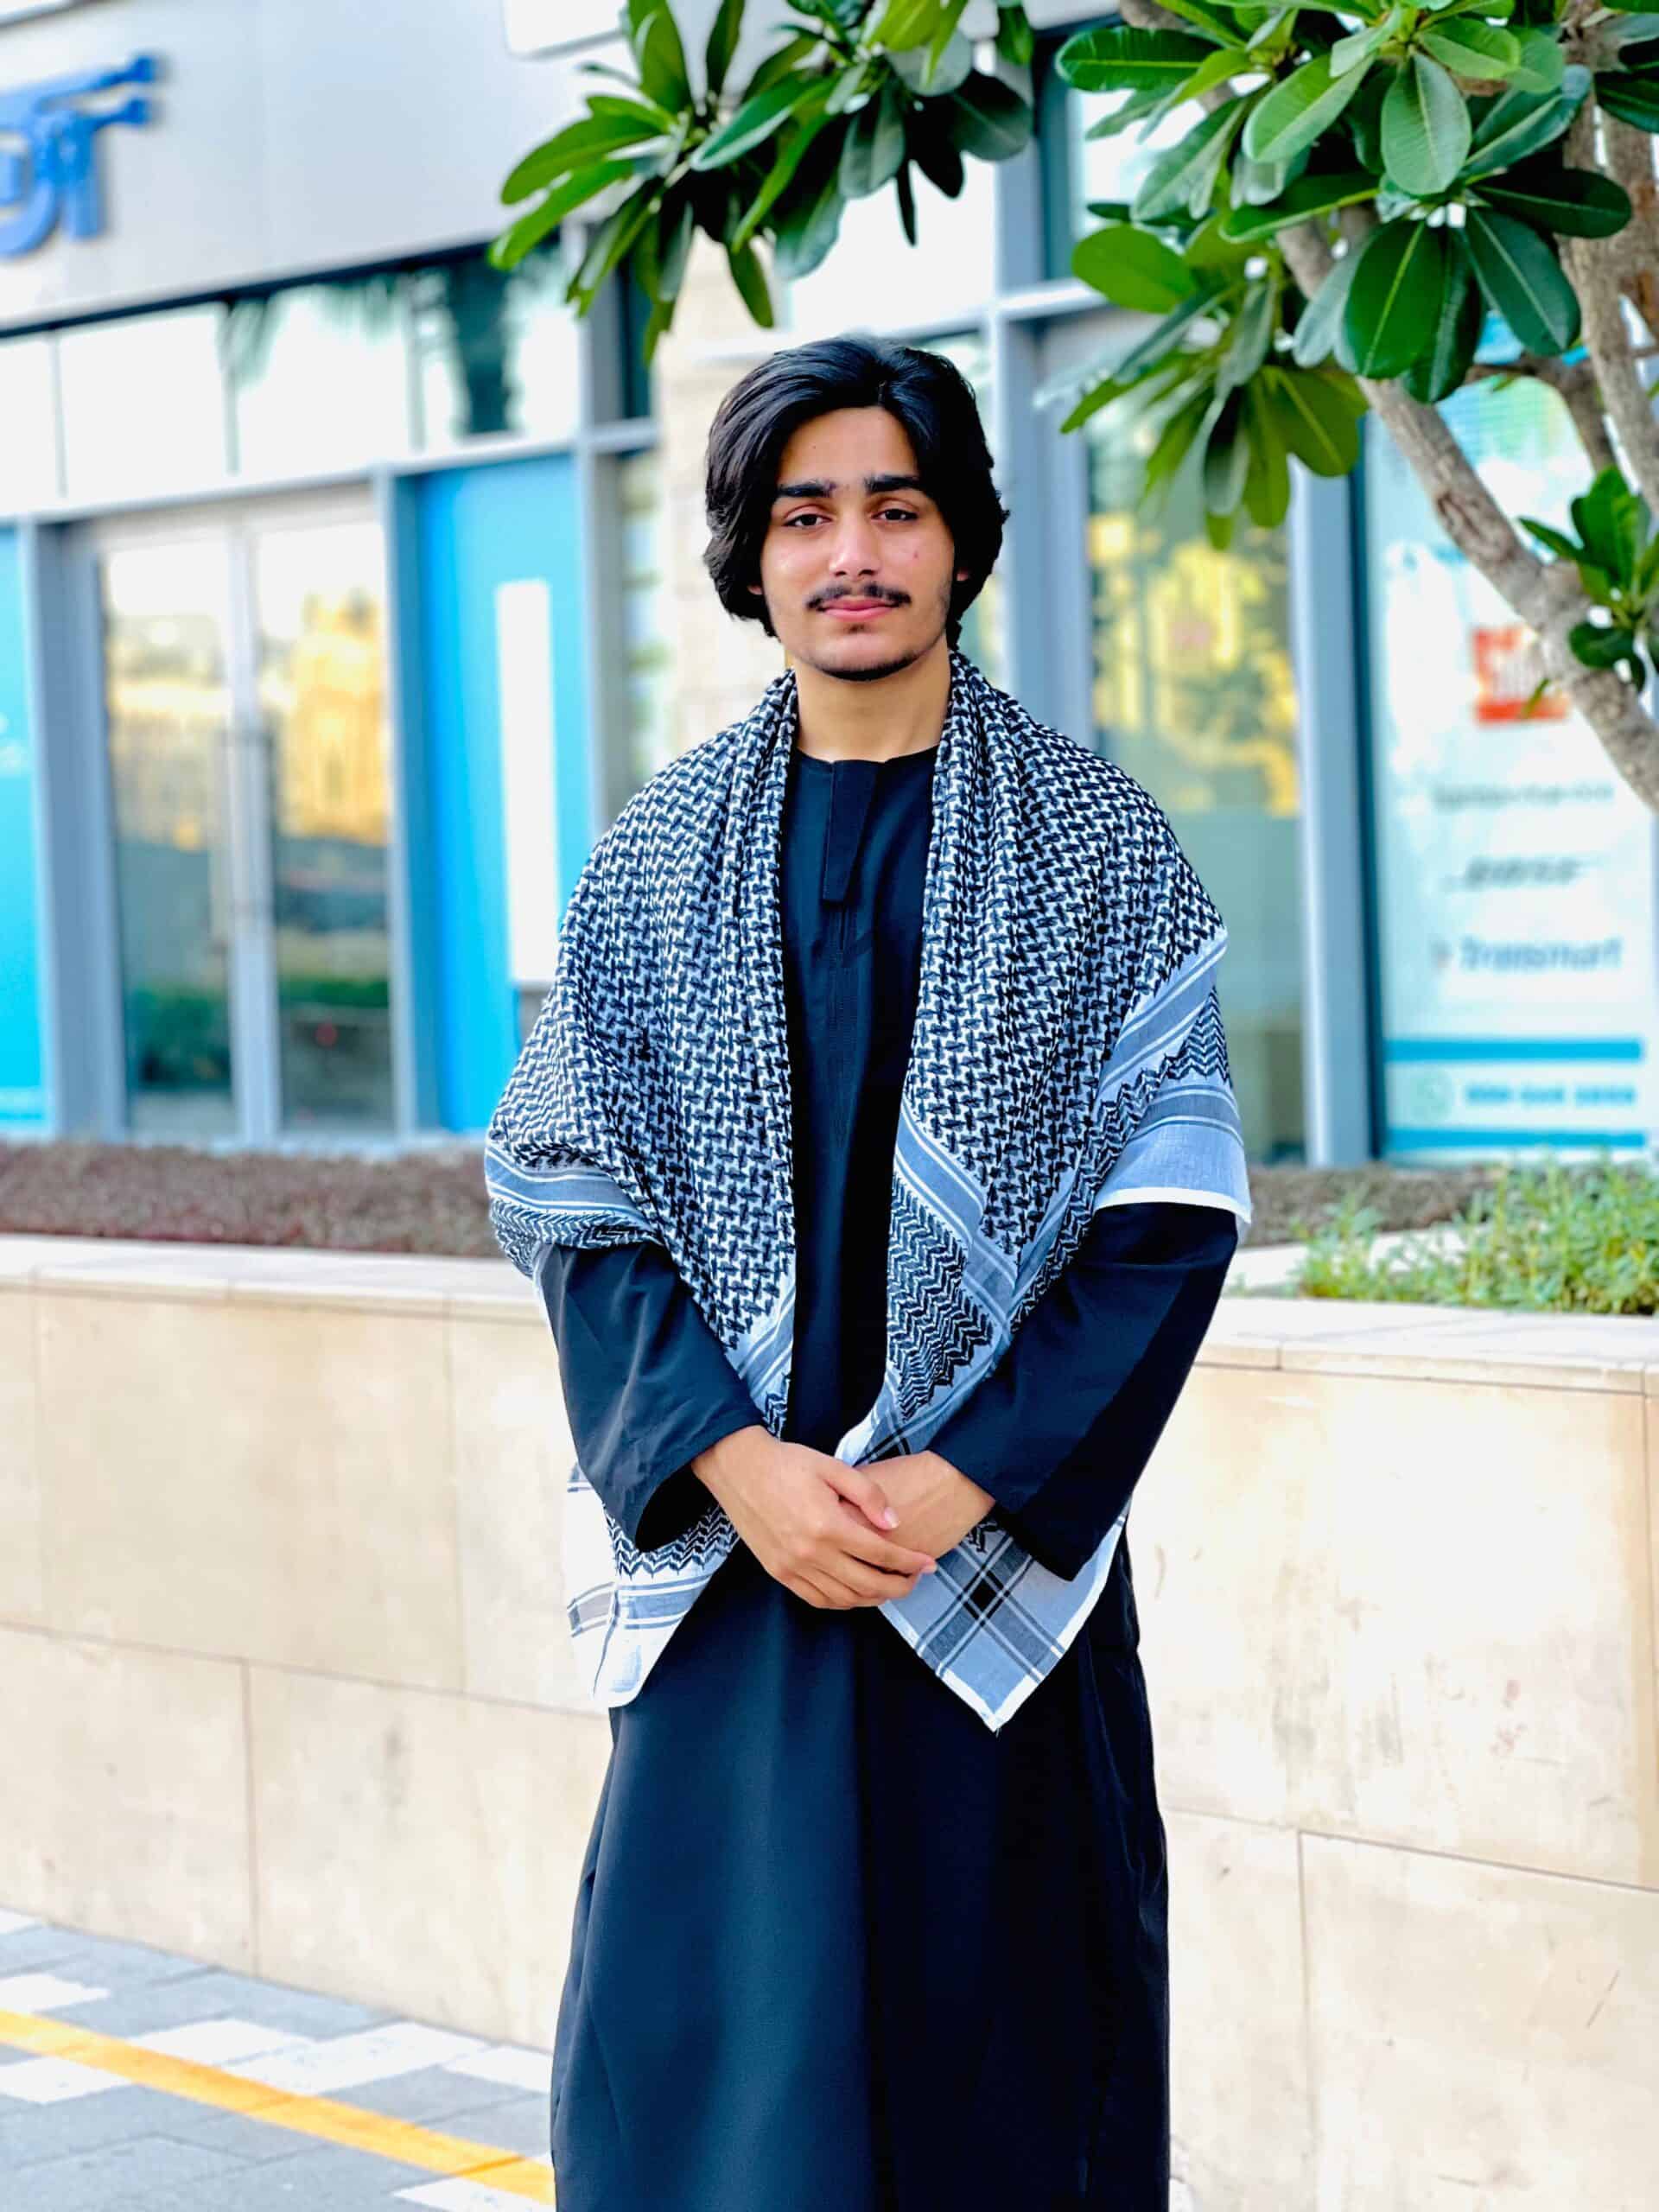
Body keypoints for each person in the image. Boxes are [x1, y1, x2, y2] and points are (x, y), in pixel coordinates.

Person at [483, 334, 1253, 2211]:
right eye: (805, 513)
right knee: (715, 2090)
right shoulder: (657, 855)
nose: (853, 553)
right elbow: (572, 1200)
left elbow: (1165, 1213)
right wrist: (735, 1465)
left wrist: (962, 1474)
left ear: (963, 541)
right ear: (749, 558)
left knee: (1005, 2070)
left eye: (895, 509)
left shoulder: (1097, 843)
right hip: (735, 1570)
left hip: (984, 1571)